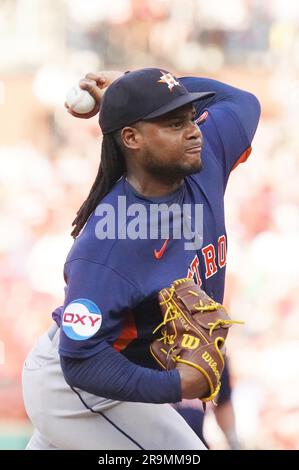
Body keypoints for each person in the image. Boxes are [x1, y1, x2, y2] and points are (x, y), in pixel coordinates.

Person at [22, 67, 260, 450]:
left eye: (189, 118)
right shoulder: (107, 244)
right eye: (173, 123)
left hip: (116, 379)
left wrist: (128, 85)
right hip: (76, 389)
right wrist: (177, 385)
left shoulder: (205, 152)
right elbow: (80, 359)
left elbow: (242, 102)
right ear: (131, 137)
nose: (193, 130)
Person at [174, 363, 242, 449]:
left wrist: (233, 443)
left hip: (195, 443)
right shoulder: (155, 355)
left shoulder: (213, 357)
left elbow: (223, 403)